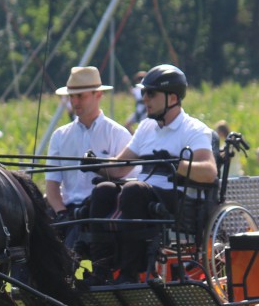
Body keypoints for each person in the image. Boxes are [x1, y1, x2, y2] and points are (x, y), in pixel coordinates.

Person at [86, 64, 217, 283]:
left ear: (172, 97)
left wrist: (177, 164)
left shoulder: (194, 130)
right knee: (103, 190)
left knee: (133, 189)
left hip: (177, 201)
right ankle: (102, 269)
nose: (144, 98)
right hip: (142, 195)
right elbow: (120, 166)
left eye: (151, 93)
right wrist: (95, 163)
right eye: (143, 92)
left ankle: (130, 273)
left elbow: (209, 172)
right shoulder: (146, 127)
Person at [45, 66, 132, 253]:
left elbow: (128, 182)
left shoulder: (117, 134)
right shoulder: (60, 136)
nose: (75, 102)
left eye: (80, 96)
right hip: (68, 212)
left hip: (103, 212)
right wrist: (61, 213)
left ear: (97, 94)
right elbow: (51, 185)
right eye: (71, 96)